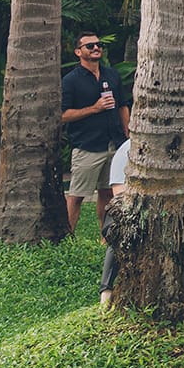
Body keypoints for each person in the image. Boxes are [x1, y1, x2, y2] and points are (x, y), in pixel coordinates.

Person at [62, 32, 132, 235]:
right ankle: (69, 236)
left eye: (98, 44)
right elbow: (63, 115)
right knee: (77, 194)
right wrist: (95, 108)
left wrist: (126, 136)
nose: (96, 48)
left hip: (114, 142)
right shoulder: (71, 80)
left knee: (107, 192)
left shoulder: (112, 75)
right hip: (88, 145)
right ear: (78, 52)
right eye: (90, 45)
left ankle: (106, 236)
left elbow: (123, 106)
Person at [98, 139, 131, 306]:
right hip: (132, 206)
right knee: (116, 229)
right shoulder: (126, 150)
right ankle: (106, 292)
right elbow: (119, 194)